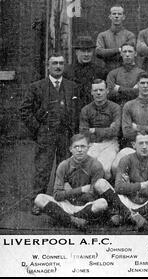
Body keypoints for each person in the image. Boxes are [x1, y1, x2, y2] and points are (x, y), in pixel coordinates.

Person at [20, 52, 80, 215]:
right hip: (46, 133)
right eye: (54, 63)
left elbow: (76, 111)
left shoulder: (71, 86)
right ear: (48, 66)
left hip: (65, 134)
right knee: (43, 168)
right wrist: (38, 129)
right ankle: (37, 201)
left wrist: (74, 132)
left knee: (66, 168)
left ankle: (64, 200)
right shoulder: (37, 86)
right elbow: (24, 111)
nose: (58, 66)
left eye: (61, 63)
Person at [33, 134, 110, 230]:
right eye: (76, 147)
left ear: (88, 148)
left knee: (102, 203)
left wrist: (67, 192)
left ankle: (65, 218)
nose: (79, 150)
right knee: (39, 198)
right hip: (67, 204)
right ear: (70, 149)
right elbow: (56, 195)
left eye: (83, 146)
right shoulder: (63, 165)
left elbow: (92, 196)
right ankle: (73, 220)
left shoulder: (96, 165)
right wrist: (81, 189)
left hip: (85, 206)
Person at [112, 72, 148, 179]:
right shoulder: (128, 105)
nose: (145, 86)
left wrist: (138, 127)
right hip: (132, 148)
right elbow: (127, 132)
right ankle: (126, 193)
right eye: (142, 83)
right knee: (116, 166)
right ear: (137, 84)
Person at [79, 79, 121, 180]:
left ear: (107, 91)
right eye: (96, 90)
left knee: (104, 168)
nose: (98, 93)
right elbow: (84, 132)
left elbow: (115, 131)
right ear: (91, 92)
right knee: (82, 167)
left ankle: (104, 192)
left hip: (110, 144)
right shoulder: (86, 109)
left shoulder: (115, 108)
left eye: (101, 90)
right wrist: (106, 130)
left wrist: (94, 130)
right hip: (92, 144)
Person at [65, 36, 108, 107]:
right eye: (83, 51)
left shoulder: (100, 72)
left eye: (89, 51)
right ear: (76, 52)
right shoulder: (67, 72)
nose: (86, 54)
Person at [95, 4, 136, 73]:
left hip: (125, 70)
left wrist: (109, 52)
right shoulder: (102, 35)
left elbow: (129, 53)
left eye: (119, 14)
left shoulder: (129, 35)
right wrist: (119, 50)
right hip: (107, 70)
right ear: (110, 17)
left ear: (123, 17)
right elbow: (99, 52)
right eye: (114, 14)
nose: (116, 16)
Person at [106, 42, 144, 107]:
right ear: (121, 53)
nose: (127, 54)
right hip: (117, 107)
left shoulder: (142, 74)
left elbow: (141, 93)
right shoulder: (113, 73)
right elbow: (109, 94)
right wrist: (132, 91)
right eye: (124, 51)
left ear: (135, 53)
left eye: (130, 51)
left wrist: (119, 89)